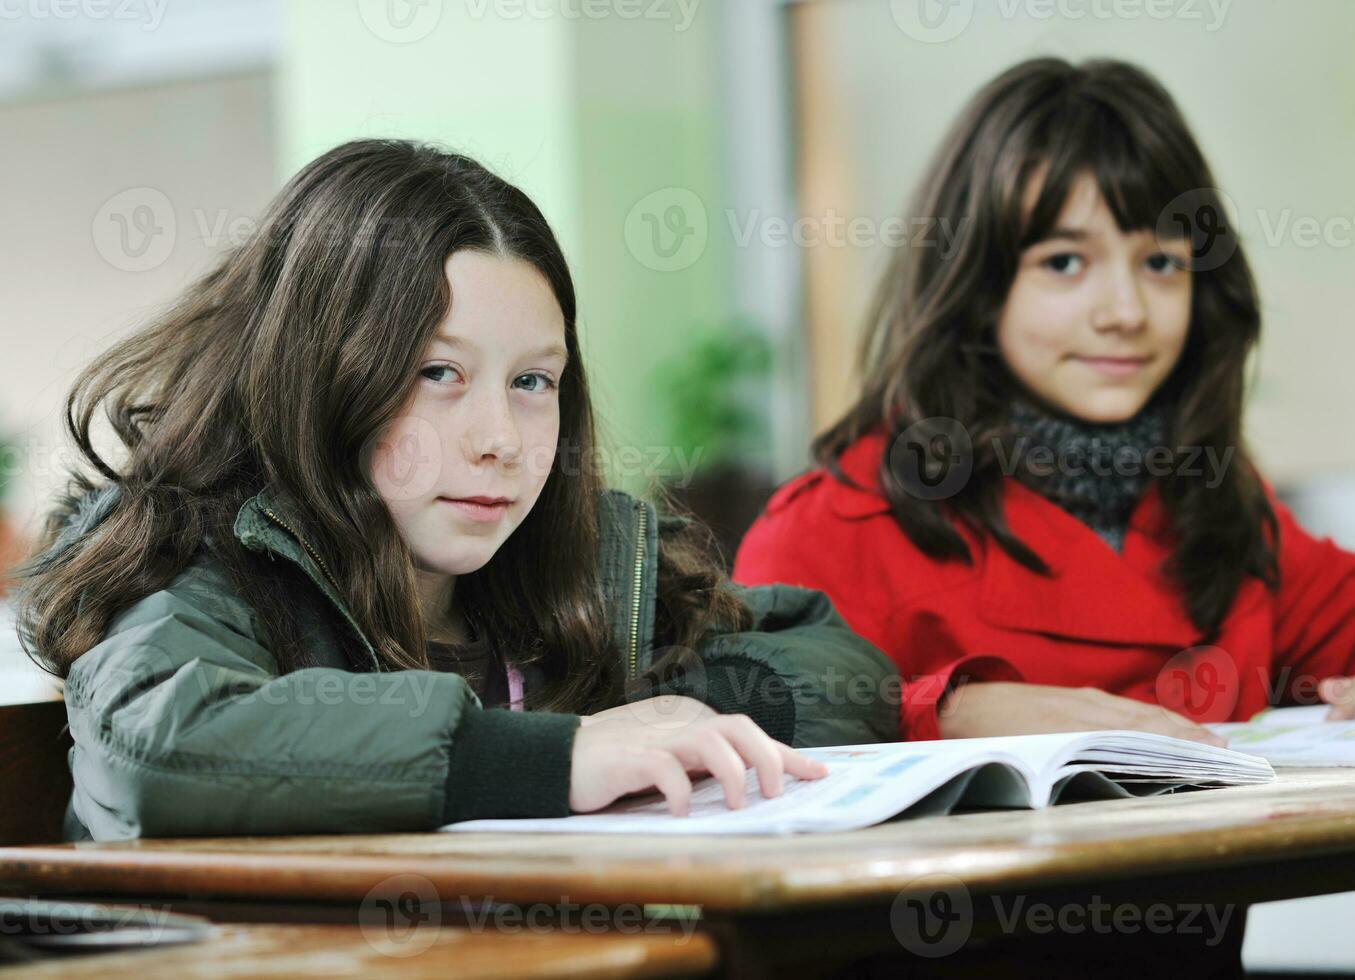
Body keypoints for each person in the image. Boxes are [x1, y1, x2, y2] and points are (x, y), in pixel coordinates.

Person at [15, 139, 900, 842]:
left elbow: (843, 670)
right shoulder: (190, 554)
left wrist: (679, 717)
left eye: (533, 382)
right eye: (439, 372)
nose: (499, 443)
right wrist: (557, 755)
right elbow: (161, 745)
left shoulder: (584, 560)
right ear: (319, 376)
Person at [734, 57, 1355, 746]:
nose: (1125, 310)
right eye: (1064, 262)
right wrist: (952, 711)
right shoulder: (833, 528)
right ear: (977, 285)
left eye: (1160, 263)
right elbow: (743, 717)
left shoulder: (1218, 508)